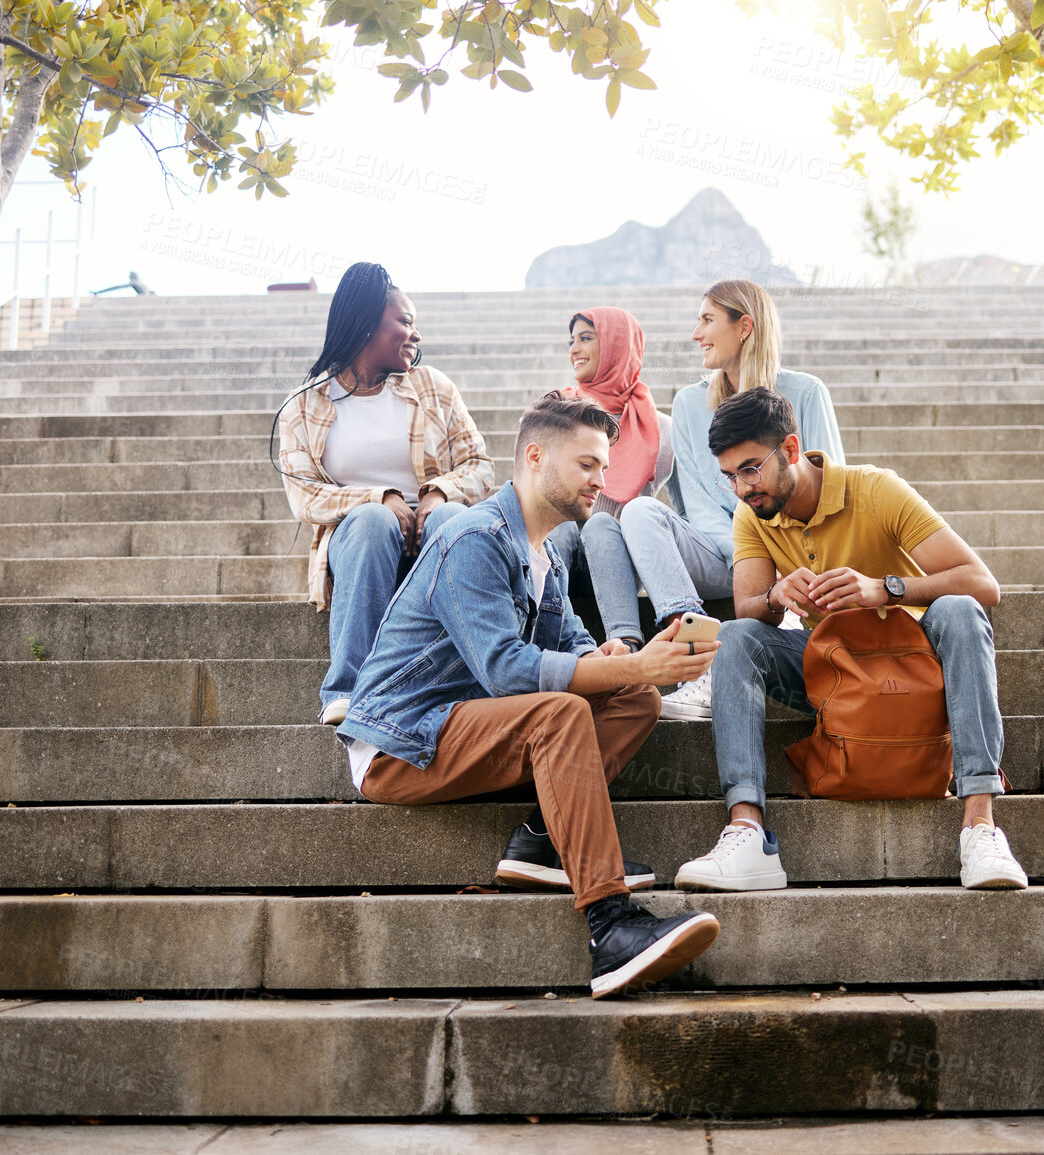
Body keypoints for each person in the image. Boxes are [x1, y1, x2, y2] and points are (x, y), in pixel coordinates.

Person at [336, 391, 724, 998]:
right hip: (402, 744)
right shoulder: (475, 539)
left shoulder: (544, 555)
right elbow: (508, 672)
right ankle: (610, 927)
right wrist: (632, 666)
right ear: (536, 457)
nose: (603, 479)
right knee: (561, 711)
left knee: (638, 699)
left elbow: (573, 646)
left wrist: (628, 661)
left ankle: (544, 839)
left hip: (470, 729)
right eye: (588, 465)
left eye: (604, 465)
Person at [672, 387, 1030, 894]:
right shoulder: (753, 514)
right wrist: (776, 594)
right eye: (729, 476)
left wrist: (882, 588)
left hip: (911, 667)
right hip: (833, 670)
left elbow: (982, 583)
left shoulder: (876, 490)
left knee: (960, 609)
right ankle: (748, 832)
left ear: (791, 450)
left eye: (750, 469)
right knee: (735, 636)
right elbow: (752, 608)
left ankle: (980, 825)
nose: (741, 488)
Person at [586, 279, 844, 717]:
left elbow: (830, 492)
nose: (695, 333)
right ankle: (633, 659)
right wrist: (745, 554)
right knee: (615, 520)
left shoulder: (806, 393)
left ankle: (700, 666)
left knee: (641, 512)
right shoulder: (688, 404)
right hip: (723, 554)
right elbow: (701, 510)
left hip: (792, 557)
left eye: (707, 320)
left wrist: (771, 559)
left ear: (744, 326)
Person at [277, 262, 494, 726]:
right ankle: (349, 689)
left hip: (436, 533)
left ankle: (479, 674)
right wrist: (380, 498)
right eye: (405, 322)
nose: (415, 334)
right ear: (366, 323)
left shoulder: (433, 387)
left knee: (451, 518)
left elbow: (480, 467)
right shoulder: (305, 405)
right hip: (363, 541)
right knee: (373, 521)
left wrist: (437, 493)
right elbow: (304, 497)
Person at [547, 307, 673, 635]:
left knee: (602, 524)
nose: (574, 349)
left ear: (619, 346)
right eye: (571, 340)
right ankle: (539, 633)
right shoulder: (556, 410)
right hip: (557, 553)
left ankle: (625, 642)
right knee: (560, 527)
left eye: (586, 338)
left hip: (616, 560)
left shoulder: (660, 429)